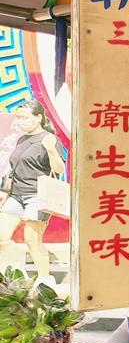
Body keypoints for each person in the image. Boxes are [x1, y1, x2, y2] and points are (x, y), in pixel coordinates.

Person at [0, 99, 65, 284]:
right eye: (18, 118)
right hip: (16, 194)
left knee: (32, 240)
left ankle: (45, 278)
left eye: (25, 118)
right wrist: (5, 191)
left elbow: (59, 170)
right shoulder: (22, 139)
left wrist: (51, 150)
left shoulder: (48, 138)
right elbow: (15, 168)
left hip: (37, 196)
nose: (21, 122)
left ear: (39, 117)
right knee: (2, 236)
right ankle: (16, 276)